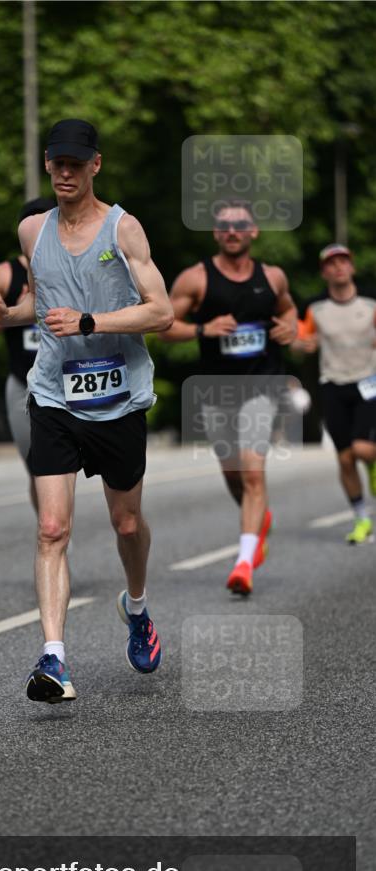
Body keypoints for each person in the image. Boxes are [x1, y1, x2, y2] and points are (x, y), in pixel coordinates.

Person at [0, 119, 173, 704]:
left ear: (95, 166)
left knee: (126, 524)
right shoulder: (33, 230)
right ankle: (54, 658)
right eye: (55, 163)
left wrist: (91, 321)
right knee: (51, 527)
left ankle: (136, 607)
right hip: (55, 393)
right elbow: (39, 303)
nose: (64, 173)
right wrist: (3, 311)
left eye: (74, 164)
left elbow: (159, 312)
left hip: (118, 398)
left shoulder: (124, 228)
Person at [165, 203, 297, 595]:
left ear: (253, 231)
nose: (232, 231)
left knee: (254, 472)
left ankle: (244, 562)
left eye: (240, 224)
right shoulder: (196, 278)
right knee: (234, 475)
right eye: (224, 225)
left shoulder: (272, 277)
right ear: (215, 233)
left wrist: (289, 328)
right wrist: (204, 328)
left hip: (263, 385)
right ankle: (258, 523)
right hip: (217, 390)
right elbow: (164, 325)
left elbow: (289, 310)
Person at [0, 197, 56, 511]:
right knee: (37, 468)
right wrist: (12, 314)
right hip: (23, 384)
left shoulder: (74, 264)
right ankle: (52, 531)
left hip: (70, 382)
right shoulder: (4, 274)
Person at [294, 244, 376, 544]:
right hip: (332, 385)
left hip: (369, 383)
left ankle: (372, 463)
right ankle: (361, 519)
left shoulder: (370, 302)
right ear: (324, 271)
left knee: (363, 449)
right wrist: (303, 345)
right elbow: (298, 339)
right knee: (344, 460)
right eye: (331, 263)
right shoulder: (314, 307)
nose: (338, 267)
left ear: (352, 267)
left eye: (343, 262)